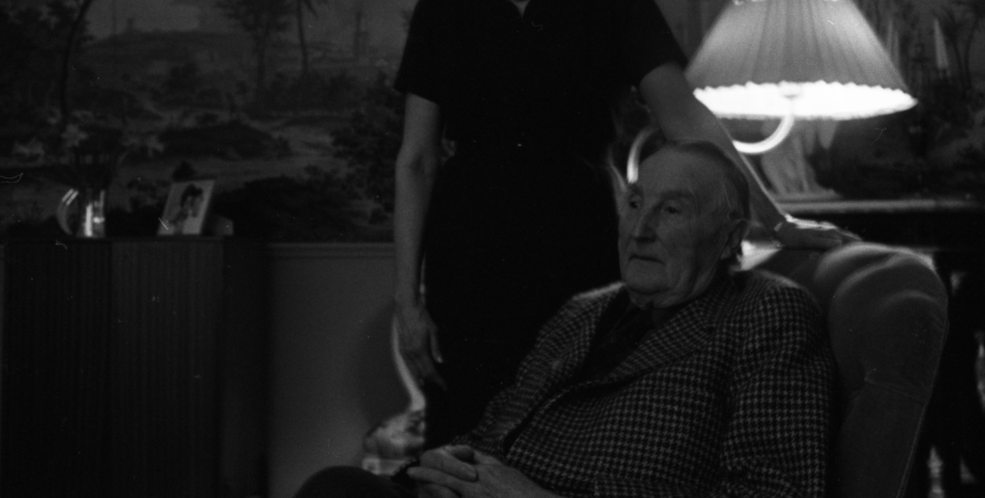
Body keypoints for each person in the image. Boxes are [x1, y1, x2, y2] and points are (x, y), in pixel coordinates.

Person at [393, 0, 850, 447]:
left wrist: (778, 221)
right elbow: (416, 161)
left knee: (574, 428)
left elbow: (687, 121)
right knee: (467, 438)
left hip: (577, 243)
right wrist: (407, 302)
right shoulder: (443, 10)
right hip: (468, 258)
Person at [298, 140, 834, 497]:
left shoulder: (768, 313)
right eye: (634, 204)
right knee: (339, 488)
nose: (640, 230)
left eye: (671, 210)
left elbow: (773, 491)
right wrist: (444, 472)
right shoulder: (586, 310)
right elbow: (495, 429)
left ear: (730, 238)